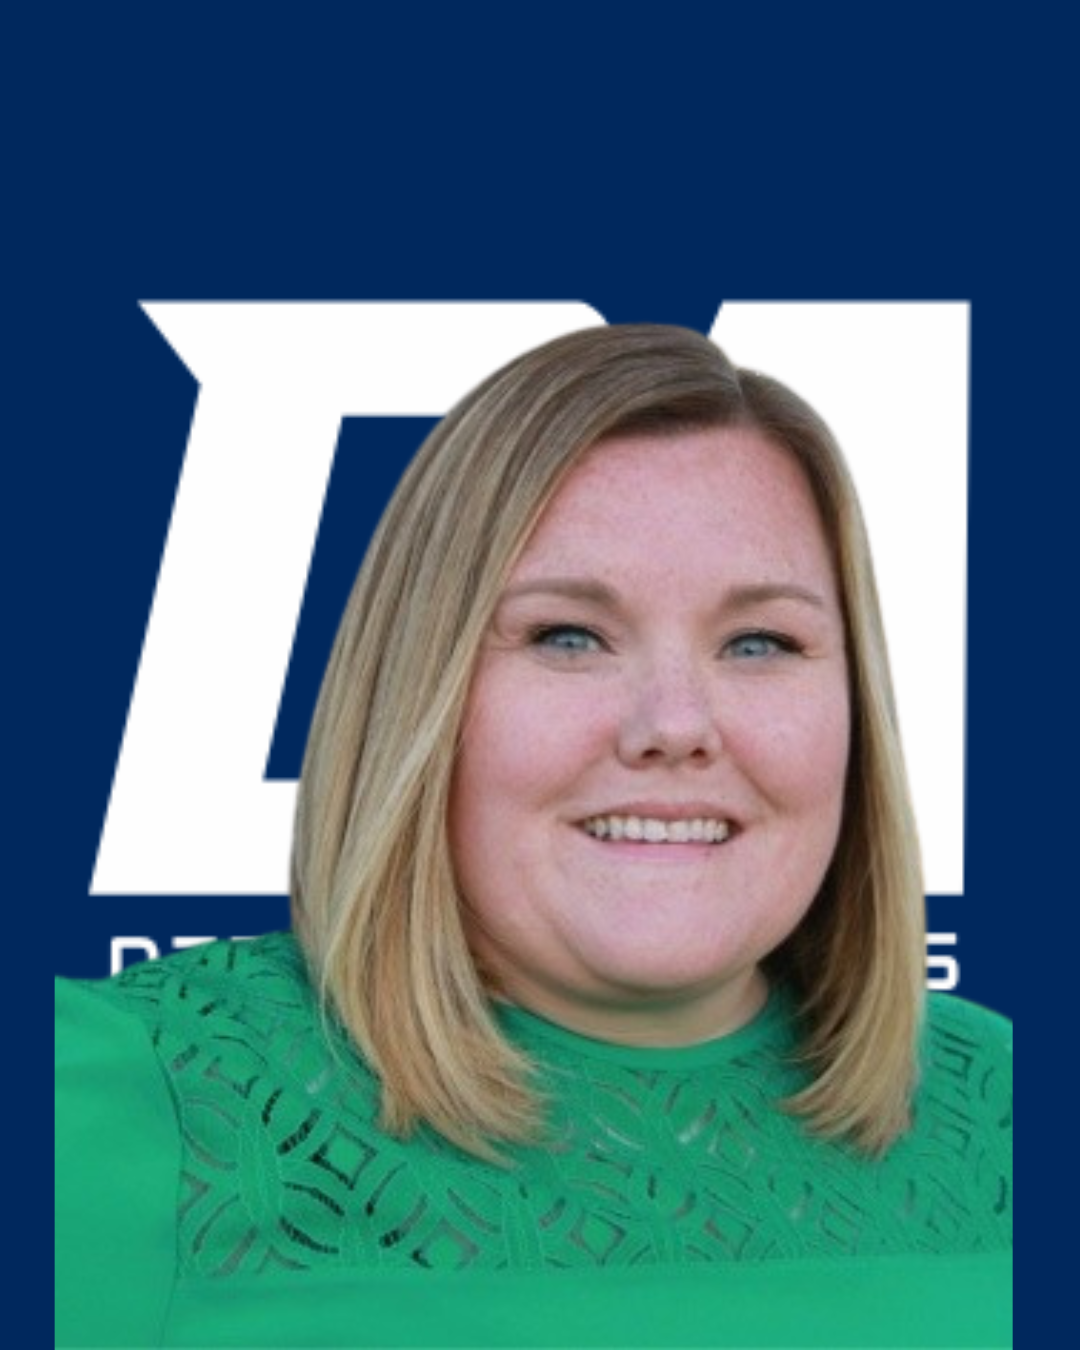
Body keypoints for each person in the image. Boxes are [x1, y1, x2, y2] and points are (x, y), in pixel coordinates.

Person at [55, 325, 1012, 1348]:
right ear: (418, 695)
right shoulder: (110, 1098)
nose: (675, 724)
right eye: (568, 636)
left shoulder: (1013, 1106)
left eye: (760, 642)